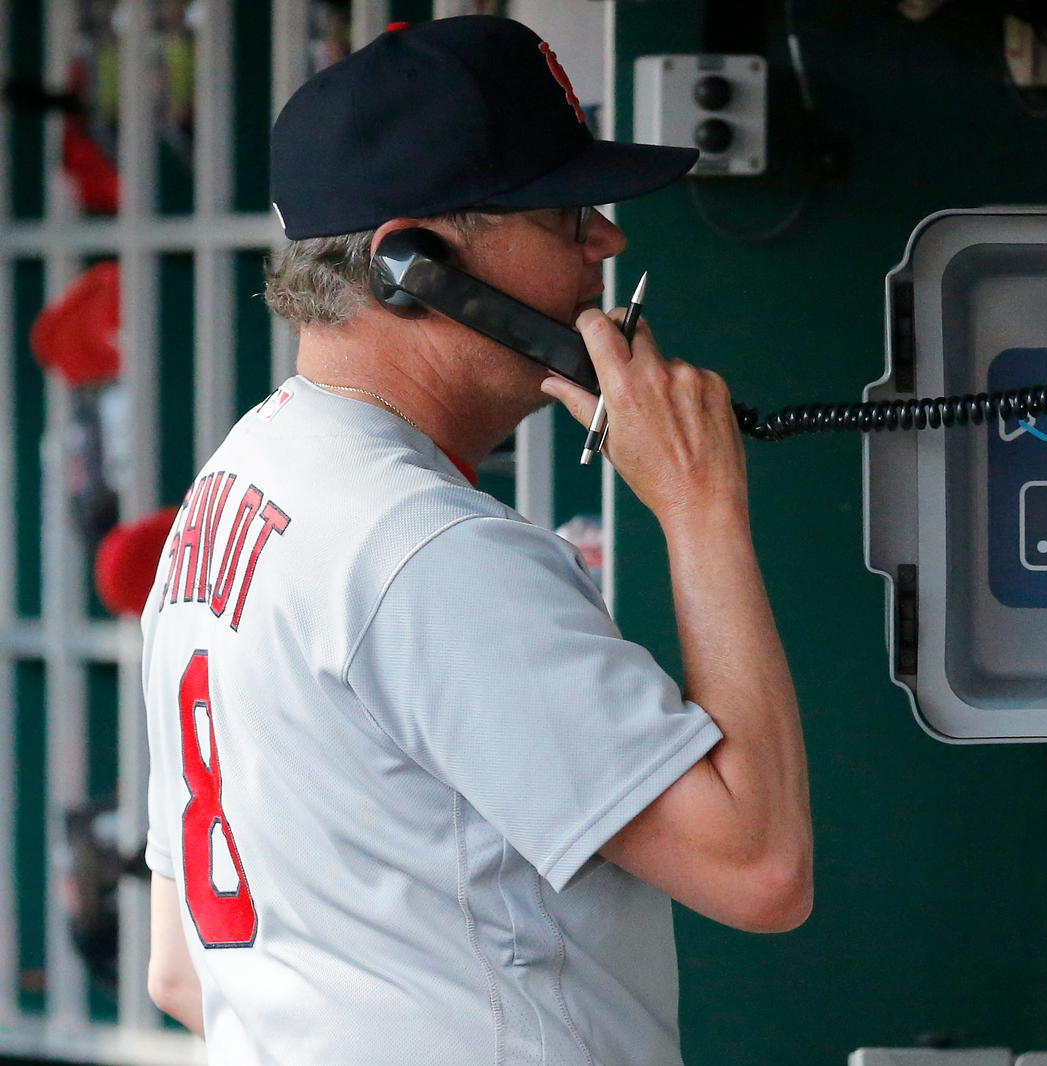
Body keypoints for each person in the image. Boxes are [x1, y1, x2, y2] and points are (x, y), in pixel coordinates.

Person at [141, 16, 811, 1065]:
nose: (607, 240)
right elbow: (760, 866)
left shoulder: (226, 494)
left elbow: (179, 972)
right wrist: (699, 506)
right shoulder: (422, 545)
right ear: (414, 262)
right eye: (561, 212)